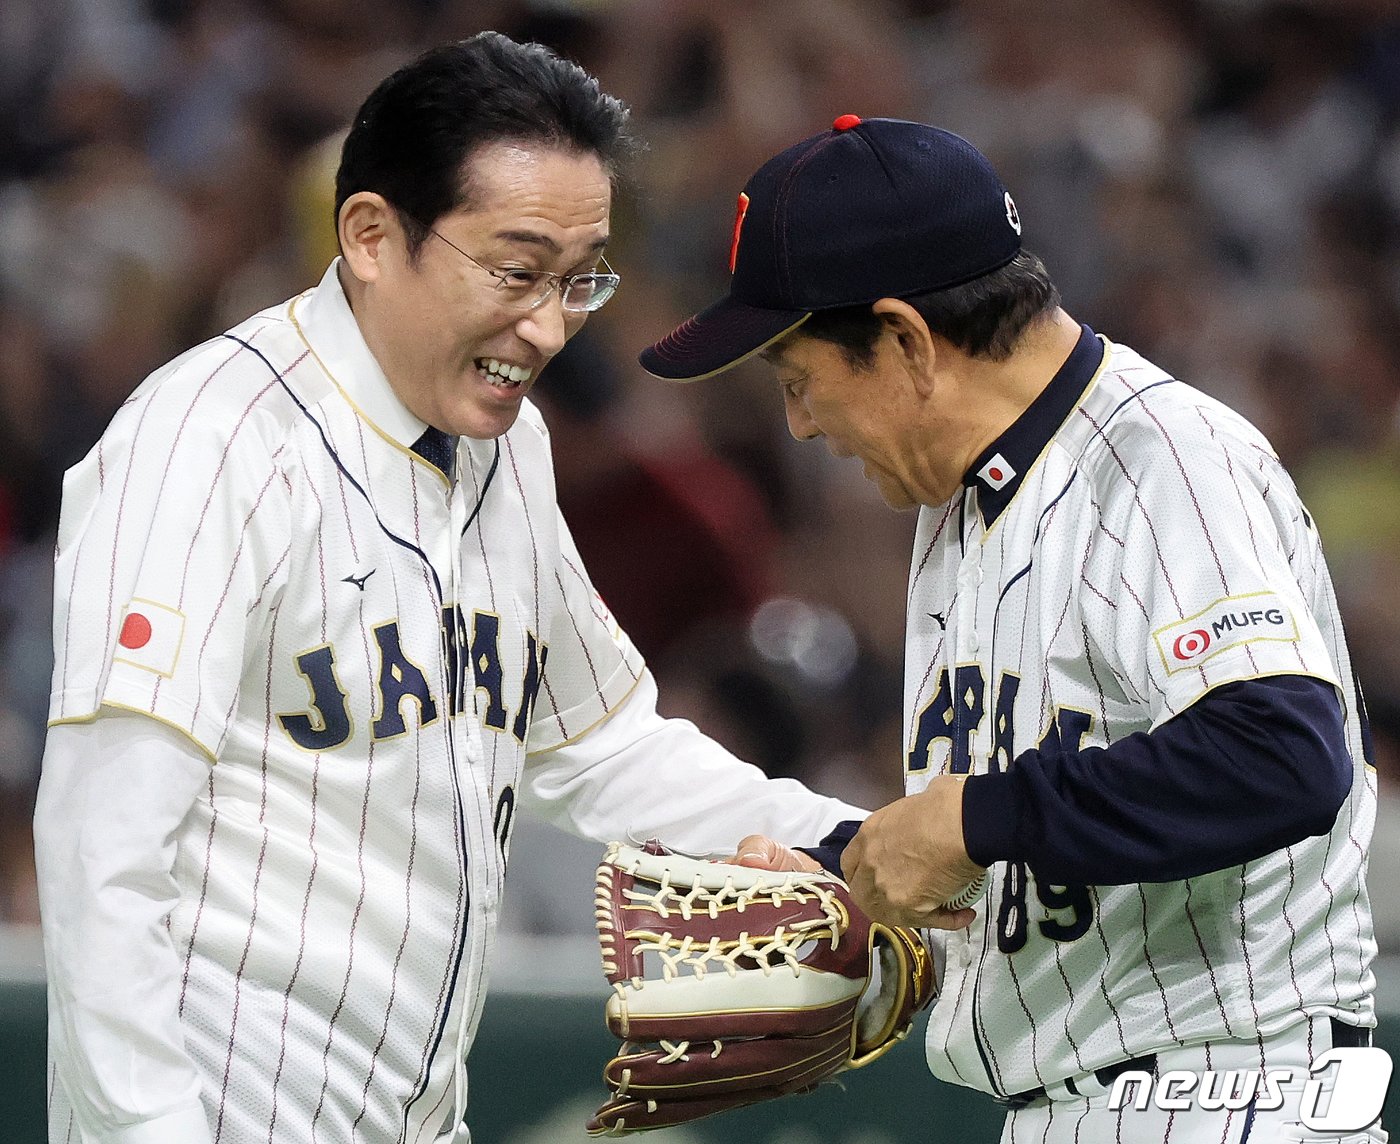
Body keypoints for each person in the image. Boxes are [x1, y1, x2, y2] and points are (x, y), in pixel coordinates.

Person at [32, 35, 864, 1144]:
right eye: (516, 271)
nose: (551, 323)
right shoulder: (205, 443)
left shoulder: (502, 446)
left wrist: (853, 845)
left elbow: (599, 742)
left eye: (581, 279)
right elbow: (103, 854)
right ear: (372, 236)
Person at [643, 114, 1386, 1142]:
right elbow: (1035, 816)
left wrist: (968, 822)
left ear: (904, 339)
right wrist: (853, 874)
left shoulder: (1160, 458)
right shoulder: (967, 502)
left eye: (799, 376)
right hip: (1089, 1098)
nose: (800, 424)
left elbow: (1283, 755)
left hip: (1216, 1092)